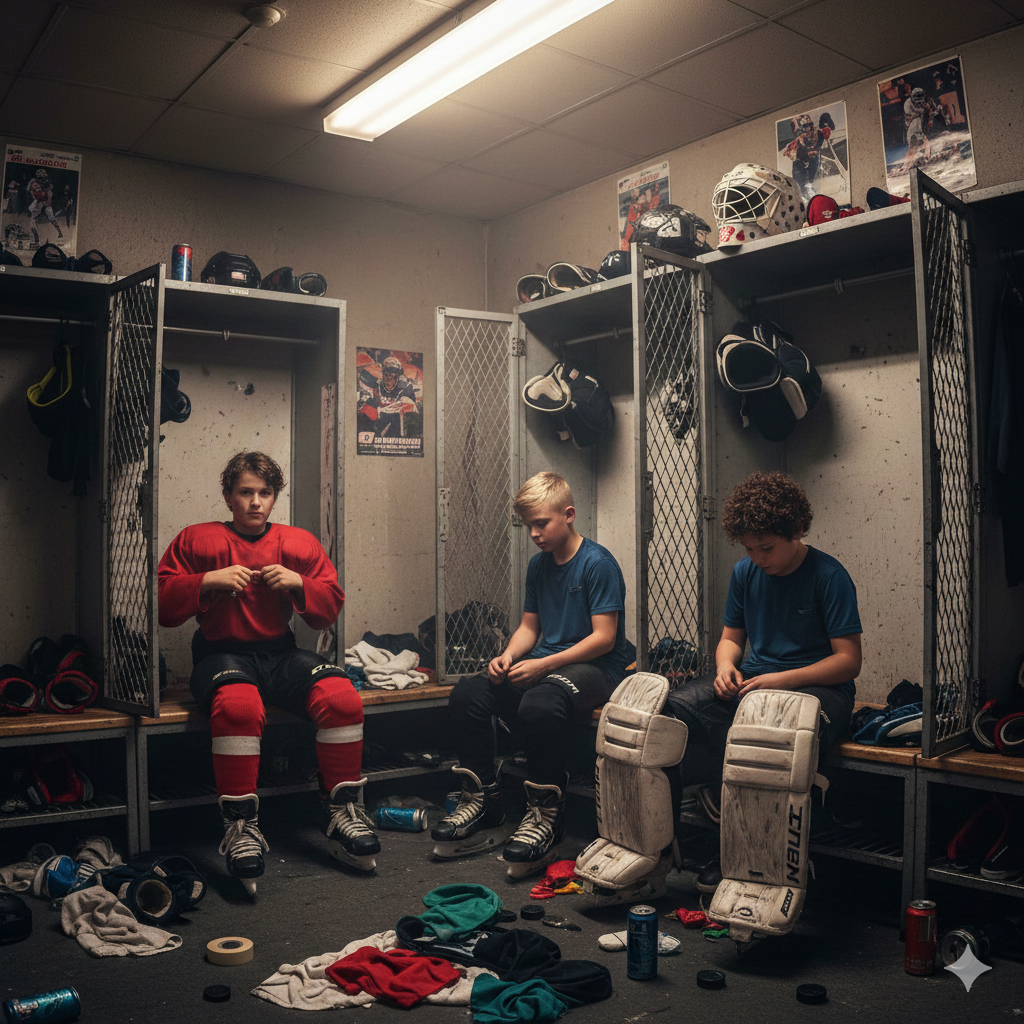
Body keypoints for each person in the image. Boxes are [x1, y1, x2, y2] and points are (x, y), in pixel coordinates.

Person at [158, 451, 379, 894]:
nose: (255, 501)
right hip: (221, 656)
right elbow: (163, 605)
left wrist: (299, 584)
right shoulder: (197, 540)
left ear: (274, 497)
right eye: (245, 492)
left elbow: (329, 605)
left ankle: (341, 810)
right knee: (239, 706)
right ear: (228, 496)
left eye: (265, 493)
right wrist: (207, 581)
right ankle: (240, 827)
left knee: (342, 697)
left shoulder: (298, 543)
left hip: (279, 654)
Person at [430, 471, 637, 875]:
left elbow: (604, 639)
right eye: (529, 526)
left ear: (569, 514)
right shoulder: (539, 566)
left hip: (600, 667)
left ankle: (545, 812)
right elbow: (529, 628)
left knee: (540, 703)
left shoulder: (598, 563)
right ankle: (483, 799)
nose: (535, 534)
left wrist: (543, 665)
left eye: (542, 523)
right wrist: (506, 657)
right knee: (470, 693)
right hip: (552, 661)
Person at [663, 471, 862, 890]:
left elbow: (848, 662)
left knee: (770, 727)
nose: (757, 558)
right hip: (759, 681)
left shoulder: (829, 576)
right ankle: (670, 841)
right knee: (671, 709)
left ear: (796, 531)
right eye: (749, 549)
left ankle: (744, 849)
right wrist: (724, 668)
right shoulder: (745, 572)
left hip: (821, 688)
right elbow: (730, 639)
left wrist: (781, 681)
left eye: (766, 548)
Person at [359, 355, 418, 437]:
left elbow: (410, 412)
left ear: (397, 376)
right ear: (383, 374)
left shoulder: (406, 388)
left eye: (392, 375)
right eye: (387, 374)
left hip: (398, 423)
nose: (389, 378)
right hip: (381, 421)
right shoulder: (377, 385)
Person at [26, 168, 63, 244]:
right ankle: (36, 239)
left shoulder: (48, 184)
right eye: (40, 178)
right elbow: (30, 190)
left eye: (42, 178)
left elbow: (48, 196)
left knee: (51, 217)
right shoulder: (35, 183)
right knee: (33, 221)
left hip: (44, 202)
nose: (41, 180)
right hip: (38, 202)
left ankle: (59, 232)